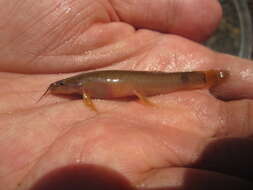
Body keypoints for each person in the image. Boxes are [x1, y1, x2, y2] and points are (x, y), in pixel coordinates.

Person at [0, 0, 253, 189]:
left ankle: (209, 78)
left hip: (148, 84)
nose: (62, 86)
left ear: (76, 85)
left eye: (65, 83)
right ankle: (207, 79)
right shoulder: (81, 88)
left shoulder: (83, 87)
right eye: (64, 84)